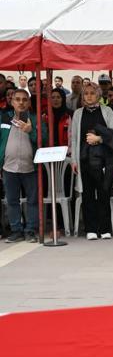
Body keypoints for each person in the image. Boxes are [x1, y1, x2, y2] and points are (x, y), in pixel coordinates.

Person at [70, 84, 113, 240]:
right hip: (84, 159)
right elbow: (73, 138)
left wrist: (99, 139)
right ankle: (91, 229)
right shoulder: (78, 114)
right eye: (86, 93)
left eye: (92, 93)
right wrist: (74, 160)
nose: (88, 96)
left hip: (104, 161)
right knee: (87, 194)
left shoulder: (107, 111)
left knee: (104, 193)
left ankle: (105, 228)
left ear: (99, 95)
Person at [1, 90, 46, 243]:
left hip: (30, 168)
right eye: (17, 99)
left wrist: (31, 131)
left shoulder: (35, 119)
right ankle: (16, 231)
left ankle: (30, 231)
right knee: (11, 200)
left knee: (33, 200)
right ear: (12, 101)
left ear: (29, 103)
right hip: (8, 167)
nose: (21, 102)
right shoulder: (4, 119)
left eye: (24, 100)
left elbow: (44, 141)